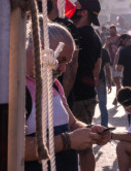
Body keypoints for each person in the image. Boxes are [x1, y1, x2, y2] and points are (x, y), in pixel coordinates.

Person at [24, 22, 110, 170]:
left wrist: (91, 131)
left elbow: (71, 123)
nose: (63, 68)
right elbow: (17, 148)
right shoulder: (17, 89)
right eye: (62, 59)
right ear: (41, 47)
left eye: (67, 62)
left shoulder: (54, 84)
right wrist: (68, 141)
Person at [70, 0, 103, 171]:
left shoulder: (76, 34)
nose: (71, 8)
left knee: (79, 146)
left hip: (78, 97)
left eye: (75, 5)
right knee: (84, 146)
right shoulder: (95, 36)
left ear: (83, 12)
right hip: (87, 95)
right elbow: (96, 68)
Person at [34, 0, 79, 97]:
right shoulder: (35, 25)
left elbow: (71, 65)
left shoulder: (67, 27)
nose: (38, 3)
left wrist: (63, 97)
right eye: (36, 0)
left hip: (59, 93)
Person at [96, 46, 112, 127]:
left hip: (87, 81)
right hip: (100, 81)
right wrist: (109, 82)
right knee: (102, 105)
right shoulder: (103, 51)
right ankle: (104, 127)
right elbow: (107, 68)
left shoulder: (86, 49)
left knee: (86, 105)